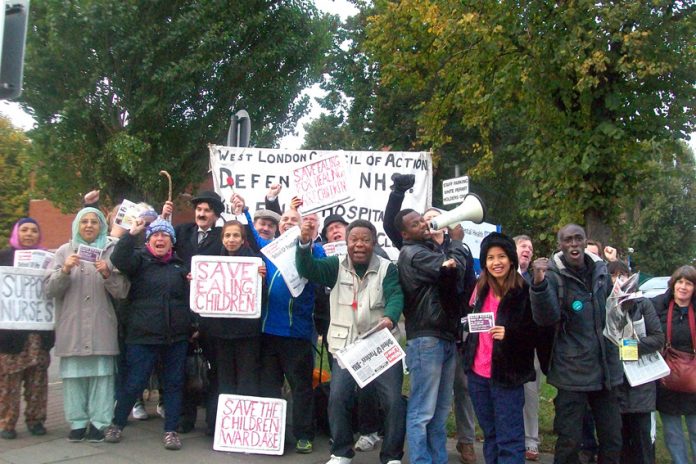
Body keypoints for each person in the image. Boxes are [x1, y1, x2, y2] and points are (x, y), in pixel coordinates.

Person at [296, 218, 406, 464]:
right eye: (354, 239)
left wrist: (390, 317)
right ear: (346, 243)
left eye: (365, 240)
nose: (359, 245)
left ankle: (392, 456)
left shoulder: (388, 268)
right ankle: (341, 452)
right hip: (346, 346)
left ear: (373, 243)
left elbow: (396, 296)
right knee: (338, 397)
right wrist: (303, 243)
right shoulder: (334, 266)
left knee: (392, 401)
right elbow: (307, 268)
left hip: (380, 344)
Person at [234, 193, 325, 454]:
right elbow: (251, 233)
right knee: (269, 385)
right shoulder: (270, 248)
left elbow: (316, 262)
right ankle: (271, 434)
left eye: (292, 219)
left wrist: (307, 237)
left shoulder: (313, 250)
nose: (286, 222)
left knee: (301, 387)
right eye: (283, 218)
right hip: (267, 331)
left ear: (302, 225)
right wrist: (245, 211)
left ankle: (303, 435)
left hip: (296, 333)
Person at [530, 224, 623, 464]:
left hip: (605, 369)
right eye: (567, 240)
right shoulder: (552, 275)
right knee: (569, 441)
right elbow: (546, 318)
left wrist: (625, 304)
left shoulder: (601, 271)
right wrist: (539, 284)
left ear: (584, 241)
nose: (573, 244)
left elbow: (614, 313)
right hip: (572, 370)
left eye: (577, 239)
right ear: (560, 245)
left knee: (612, 438)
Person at [105, 218, 191, 451]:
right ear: (149, 239)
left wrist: (191, 325)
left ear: (172, 242)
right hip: (143, 336)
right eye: (155, 235)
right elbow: (118, 259)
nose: (160, 239)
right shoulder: (138, 261)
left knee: (173, 384)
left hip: (176, 337)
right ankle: (117, 423)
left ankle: (170, 430)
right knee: (133, 383)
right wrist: (130, 234)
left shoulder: (181, 267)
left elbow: (189, 300)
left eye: (165, 236)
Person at [45, 207, 128, 443]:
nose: (89, 226)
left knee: (102, 378)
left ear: (102, 226)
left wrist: (107, 273)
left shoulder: (110, 252)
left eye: (94, 222)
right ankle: (78, 422)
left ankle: (100, 422)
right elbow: (50, 289)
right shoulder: (63, 252)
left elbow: (122, 291)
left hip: (102, 325)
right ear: (77, 226)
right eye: (84, 222)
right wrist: (65, 270)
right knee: (73, 378)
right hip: (72, 326)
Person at [395, 208, 469, 464]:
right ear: (405, 234)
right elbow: (452, 270)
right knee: (422, 411)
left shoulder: (426, 250)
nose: (423, 224)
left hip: (442, 335)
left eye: (422, 220)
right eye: (415, 224)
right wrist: (456, 242)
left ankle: (438, 459)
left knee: (439, 412)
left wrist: (443, 245)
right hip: (427, 337)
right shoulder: (413, 253)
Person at [463, 232, 537, 463]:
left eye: (502, 256)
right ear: (484, 262)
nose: (496, 262)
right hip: (478, 375)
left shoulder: (524, 291)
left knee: (510, 440)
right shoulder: (480, 289)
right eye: (490, 258)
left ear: (511, 259)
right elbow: (462, 317)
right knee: (491, 435)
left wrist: (511, 334)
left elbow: (538, 332)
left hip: (507, 376)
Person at [162, 190, 224, 433]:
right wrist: (164, 217)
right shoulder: (182, 231)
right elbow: (163, 244)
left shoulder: (222, 235)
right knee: (183, 369)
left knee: (214, 370)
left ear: (216, 215)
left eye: (207, 210)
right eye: (199, 209)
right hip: (184, 311)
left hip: (212, 313)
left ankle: (213, 421)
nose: (201, 213)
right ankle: (183, 419)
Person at [202, 220, 266, 424]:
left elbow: (263, 297)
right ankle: (221, 425)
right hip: (220, 333)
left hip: (247, 333)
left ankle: (245, 426)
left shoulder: (256, 262)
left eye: (235, 235)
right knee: (223, 380)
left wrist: (261, 280)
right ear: (222, 239)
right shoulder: (213, 264)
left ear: (243, 239)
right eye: (227, 235)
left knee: (247, 380)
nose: (231, 239)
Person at [0, 218, 55, 439]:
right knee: (8, 382)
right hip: (10, 334)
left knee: (38, 381)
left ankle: (36, 419)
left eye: (34, 230)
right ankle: (6, 422)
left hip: (38, 334)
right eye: (24, 230)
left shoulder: (47, 260)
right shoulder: (3, 258)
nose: (29, 234)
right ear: (16, 233)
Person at [607, 260, 663, 464]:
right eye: (613, 275)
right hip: (614, 384)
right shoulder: (603, 305)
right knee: (617, 443)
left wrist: (626, 345)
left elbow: (658, 338)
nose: (619, 279)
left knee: (641, 443)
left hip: (640, 385)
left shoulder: (643, 304)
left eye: (623, 275)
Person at [652, 265, 696, 464]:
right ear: (673, 284)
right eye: (680, 282)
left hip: (694, 380)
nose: (683, 287)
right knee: (672, 433)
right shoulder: (660, 306)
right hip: (667, 379)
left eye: (689, 283)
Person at [512, 234, 542, 461]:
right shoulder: (499, 275)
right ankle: (511, 437)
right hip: (505, 346)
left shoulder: (535, 280)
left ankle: (531, 440)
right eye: (523, 246)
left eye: (530, 248)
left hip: (530, 347)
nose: (528, 250)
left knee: (531, 395)